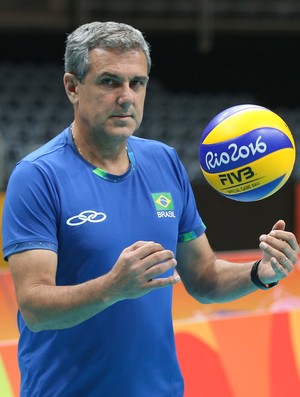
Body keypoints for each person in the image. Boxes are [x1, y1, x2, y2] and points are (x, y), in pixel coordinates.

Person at [2, 21, 298, 397]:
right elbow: (35, 308)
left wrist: (259, 273)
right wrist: (112, 287)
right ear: (72, 87)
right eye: (109, 82)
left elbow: (204, 278)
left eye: (137, 83)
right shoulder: (37, 176)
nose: (126, 96)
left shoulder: (164, 161)